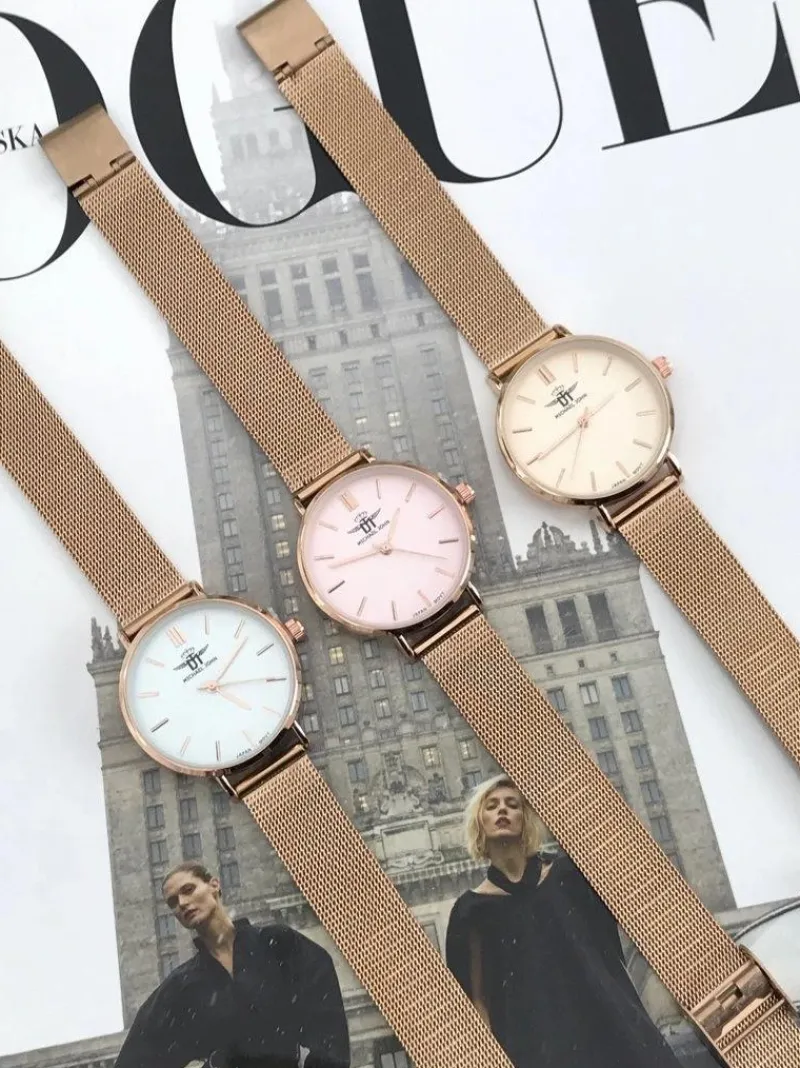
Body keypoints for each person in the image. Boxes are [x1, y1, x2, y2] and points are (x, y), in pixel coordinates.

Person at [445, 774, 681, 1068]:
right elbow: (475, 1000)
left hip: (609, 1027)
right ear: (479, 823)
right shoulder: (470, 912)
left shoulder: (570, 874)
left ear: (525, 819)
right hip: (536, 1050)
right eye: (491, 806)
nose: (502, 809)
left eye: (512, 804)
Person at [115, 862, 350, 1068]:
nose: (183, 903)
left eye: (188, 890)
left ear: (214, 885)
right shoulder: (180, 987)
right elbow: (136, 1059)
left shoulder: (278, 943)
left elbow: (327, 1020)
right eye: (173, 902)